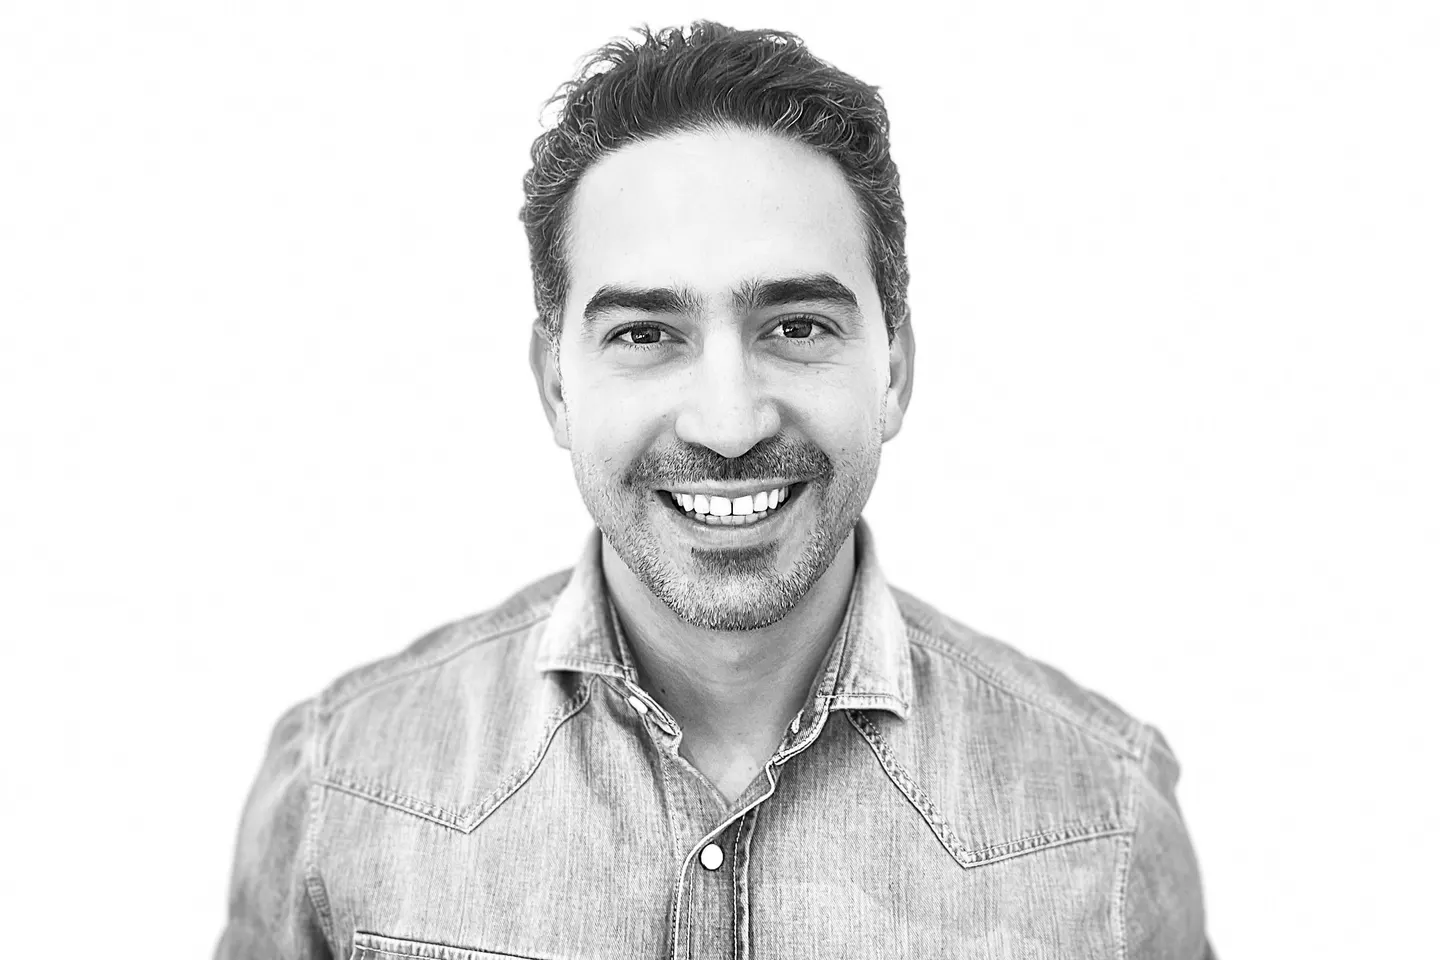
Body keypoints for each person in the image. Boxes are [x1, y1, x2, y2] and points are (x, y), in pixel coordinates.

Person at [216, 21, 1212, 959]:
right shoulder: (341, 790)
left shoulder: (1106, 823)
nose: (729, 424)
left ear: (896, 371)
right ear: (556, 385)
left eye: (797, 327)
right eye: (647, 335)